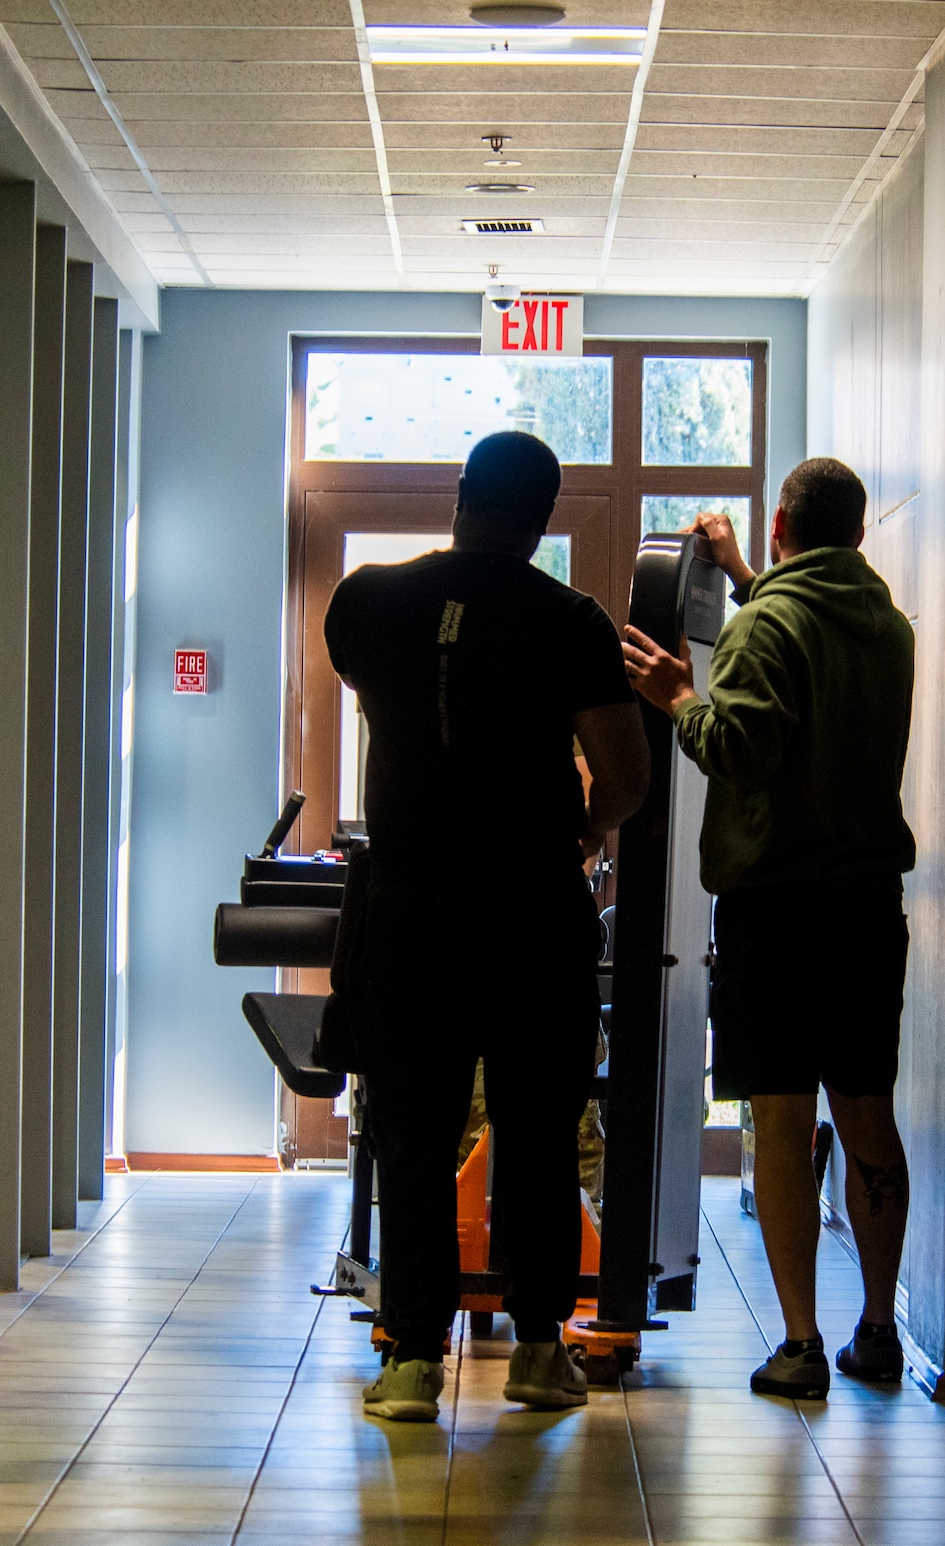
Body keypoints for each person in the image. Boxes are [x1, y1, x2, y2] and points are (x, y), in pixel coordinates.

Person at [325, 430, 650, 1423]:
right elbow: (625, 777)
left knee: (412, 1132)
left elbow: (399, 705)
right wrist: (583, 830)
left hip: (410, 907)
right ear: (543, 518)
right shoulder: (569, 621)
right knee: (539, 1128)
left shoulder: (367, 602)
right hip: (528, 912)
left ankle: (412, 1362)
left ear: (460, 495)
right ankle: (537, 1350)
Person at [621, 456, 915, 1401]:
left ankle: (801, 1345)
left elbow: (740, 744)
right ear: (857, 536)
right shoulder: (885, 627)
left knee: (782, 1119)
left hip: (778, 915)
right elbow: (801, 639)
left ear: (783, 529)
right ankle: (878, 1328)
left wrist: (677, 698)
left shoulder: (765, 626)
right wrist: (748, 573)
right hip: (868, 911)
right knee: (866, 1109)